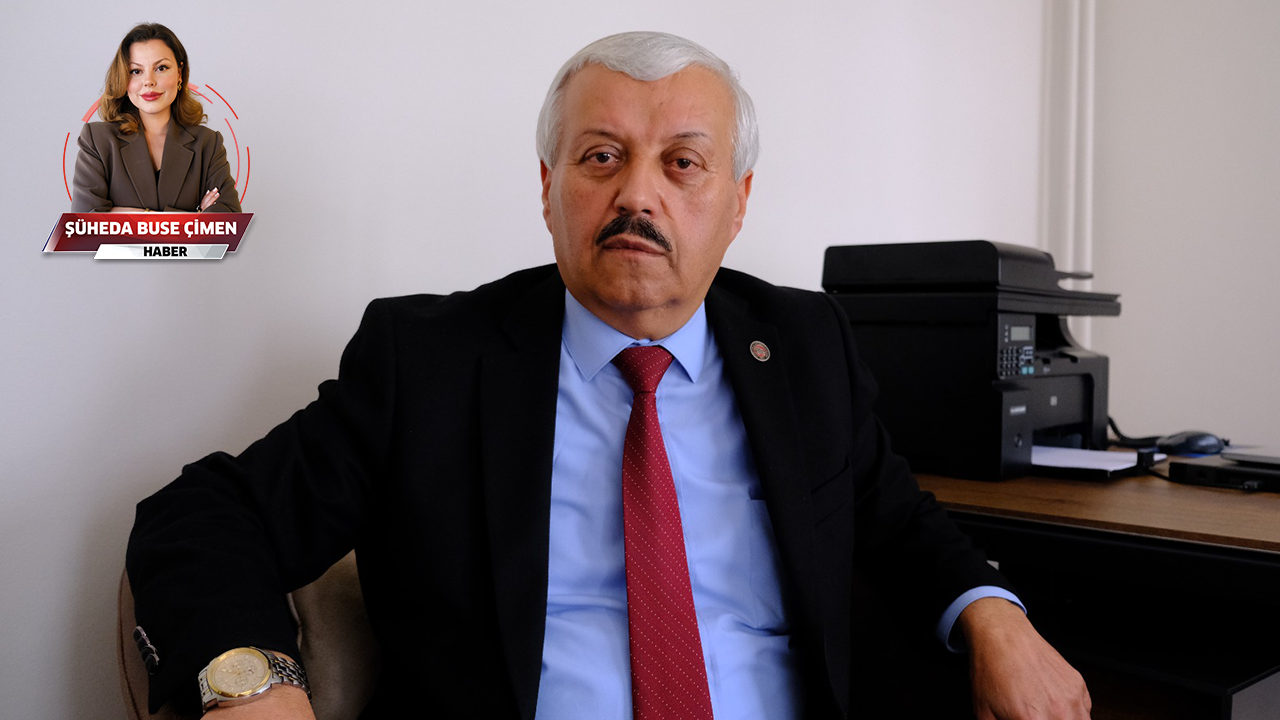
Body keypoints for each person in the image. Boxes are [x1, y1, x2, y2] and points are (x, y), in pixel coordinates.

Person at [127, 31, 1091, 720]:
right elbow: (203, 516)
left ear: (738, 203)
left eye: (683, 163)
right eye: (601, 157)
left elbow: (901, 524)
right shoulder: (430, 361)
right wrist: (249, 684)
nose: (638, 194)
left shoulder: (804, 346)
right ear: (548, 188)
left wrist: (997, 620)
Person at [71, 23, 240, 214]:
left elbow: (229, 223)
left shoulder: (208, 143)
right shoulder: (97, 140)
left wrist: (119, 213)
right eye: (136, 71)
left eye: (161, 68)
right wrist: (194, 217)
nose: (149, 81)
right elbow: (85, 224)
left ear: (179, 74)